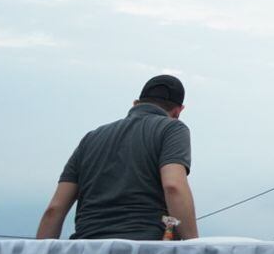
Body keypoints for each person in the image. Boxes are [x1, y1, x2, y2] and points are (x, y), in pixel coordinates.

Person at [36, 75, 197, 241]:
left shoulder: (90, 139)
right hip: (144, 252)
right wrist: (194, 246)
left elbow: (54, 210)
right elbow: (173, 186)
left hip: (86, 253)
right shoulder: (172, 128)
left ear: (135, 104)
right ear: (178, 111)